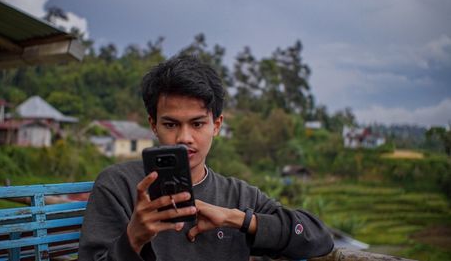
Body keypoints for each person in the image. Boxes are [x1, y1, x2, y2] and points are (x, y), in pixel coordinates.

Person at [78, 56, 334, 261]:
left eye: (198, 124)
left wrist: (238, 219)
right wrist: (133, 238)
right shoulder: (119, 186)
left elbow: (319, 238)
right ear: (153, 125)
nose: (184, 137)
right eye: (170, 124)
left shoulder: (239, 196)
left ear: (217, 125)